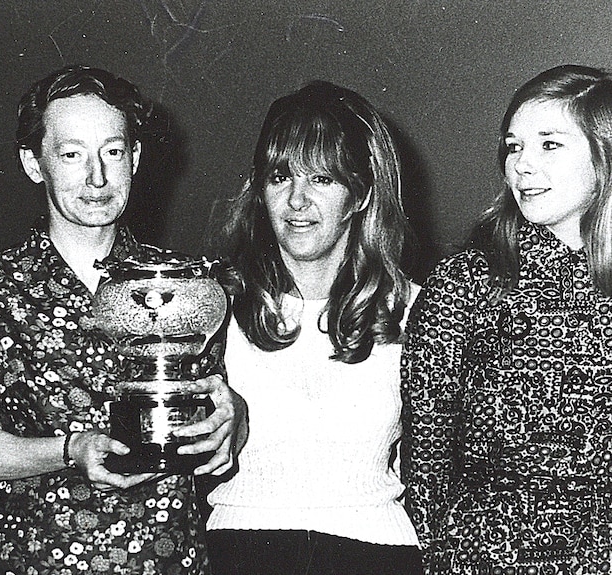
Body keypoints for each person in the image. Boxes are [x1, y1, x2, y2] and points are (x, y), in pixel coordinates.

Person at [0, 64, 244, 575]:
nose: (97, 177)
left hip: (166, 559)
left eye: (113, 152)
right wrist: (71, 449)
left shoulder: (184, 285)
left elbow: (216, 406)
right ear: (35, 164)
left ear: (135, 159)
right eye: (72, 153)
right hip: (35, 560)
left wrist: (235, 419)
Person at [204, 81, 421, 575]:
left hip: (375, 553)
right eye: (281, 176)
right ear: (260, 189)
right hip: (240, 551)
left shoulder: (415, 311)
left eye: (322, 179)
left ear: (361, 194)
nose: (297, 201)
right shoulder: (214, 306)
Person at [402, 64, 612, 573]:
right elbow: (425, 455)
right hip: (487, 558)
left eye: (550, 144)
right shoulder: (466, 283)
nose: (522, 165)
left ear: (605, 156)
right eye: (513, 147)